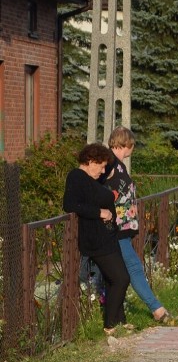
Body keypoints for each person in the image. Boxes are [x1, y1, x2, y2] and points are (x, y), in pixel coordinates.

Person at [102, 126, 170, 323]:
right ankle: (156, 308)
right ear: (126, 144)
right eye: (132, 146)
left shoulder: (118, 164)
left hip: (122, 227)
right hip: (116, 228)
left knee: (120, 273)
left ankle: (116, 317)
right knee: (133, 267)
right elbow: (98, 187)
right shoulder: (110, 163)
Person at [63, 143, 131, 335]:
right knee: (121, 278)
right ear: (90, 161)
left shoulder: (92, 179)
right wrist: (99, 212)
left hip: (108, 235)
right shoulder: (76, 176)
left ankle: (119, 319)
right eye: (100, 166)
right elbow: (69, 205)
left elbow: (108, 168)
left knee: (113, 279)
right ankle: (109, 325)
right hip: (96, 239)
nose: (103, 171)